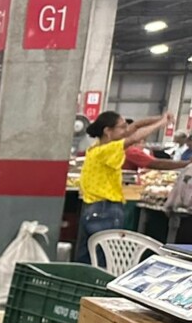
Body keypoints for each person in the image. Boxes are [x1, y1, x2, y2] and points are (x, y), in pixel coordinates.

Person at [77, 111, 185, 263]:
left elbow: (135, 126)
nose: (126, 131)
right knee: (105, 259)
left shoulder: (96, 147)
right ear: (108, 131)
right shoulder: (107, 150)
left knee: (89, 256)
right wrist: (161, 124)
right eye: (121, 127)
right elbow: (135, 137)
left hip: (93, 208)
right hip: (105, 209)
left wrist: (161, 118)